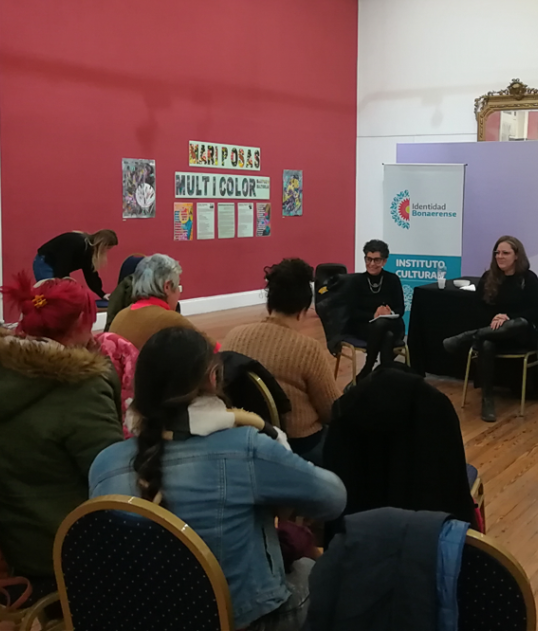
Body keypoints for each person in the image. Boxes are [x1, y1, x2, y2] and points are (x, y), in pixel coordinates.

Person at [90, 327, 347, 631]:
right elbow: (334, 499)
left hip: (139, 620)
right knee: (317, 571)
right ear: (213, 378)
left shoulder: (104, 464)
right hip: (238, 620)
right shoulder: (247, 448)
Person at [0, 273, 124, 578]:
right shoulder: (81, 388)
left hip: (0, 527)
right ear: (83, 320)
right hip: (58, 544)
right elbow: (112, 480)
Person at [223, 259, 339, 465]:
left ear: (270, 304)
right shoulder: (307, 349)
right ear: (303, 310)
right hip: (298, 446)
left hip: (246, 437)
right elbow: (332, 411)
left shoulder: (233, 337)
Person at [442, 235, 538, 422]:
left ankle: (467, 337)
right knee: (486, 343)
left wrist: (508, 317)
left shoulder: (528, 278)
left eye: (505, 253)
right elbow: (477, 308)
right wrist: (494, 318)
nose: (500, 256)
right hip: (493, 332)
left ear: (516, 256)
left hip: (519, 335)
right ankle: (487, 400)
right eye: (497, 253)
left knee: (518, 323)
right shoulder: (488, 277)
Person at [108, 254, 198, 350]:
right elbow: (207, 352)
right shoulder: (172, 321)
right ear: (167, 287)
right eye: (177, 287)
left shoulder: (119, 317)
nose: (178, 293)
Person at [345, 240, 405, 381]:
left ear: (384, 261)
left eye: (376, 260)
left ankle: (368, 368)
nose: (372, 264)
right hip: (364, 326)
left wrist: (388, 314)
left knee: (383, 324)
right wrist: (374, 314)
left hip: (392, 323)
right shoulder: (356, 281)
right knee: (387, 335)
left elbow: (400, 309)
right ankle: (385, 375)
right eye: (368, 259)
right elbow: (352, 312)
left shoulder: (393, 279)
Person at [33, 229, 118, 300]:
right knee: (50, 294)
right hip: (45, 262)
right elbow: (62, 262)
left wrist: (102, 294)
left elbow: (91, 274)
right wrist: (63, 284)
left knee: (59, 295)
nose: (106, 251)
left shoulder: (88, 252)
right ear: (102, 244)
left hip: (58, 265)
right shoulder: (78, 243)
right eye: (107, 248)